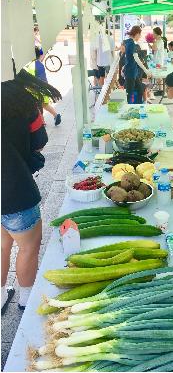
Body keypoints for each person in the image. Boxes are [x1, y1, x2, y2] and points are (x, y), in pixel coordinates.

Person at [1, 69, 62, 313]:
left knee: (3, 244)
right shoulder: (24, 100)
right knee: (28, 246)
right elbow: (40, 141)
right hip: (15, 189)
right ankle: (27, 298)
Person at [26, 47, 61, 126]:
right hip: (43, 88)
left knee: (38, 106)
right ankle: (56, 115)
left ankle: (42, 122)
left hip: (36, 90)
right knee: (44, 104)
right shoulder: (40, 64)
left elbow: (30, 79)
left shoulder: (31, 65)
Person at [124, 25, 152, 104]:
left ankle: (143, 103)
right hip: (131, 72)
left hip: (133, 71)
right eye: (140, 35)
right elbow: (136, 58)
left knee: (140, 89)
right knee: (130, 93)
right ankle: (130, 107)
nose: (140, 37)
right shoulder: (131, 43)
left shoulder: (129, 42)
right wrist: (146, 71)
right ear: (136, 34)